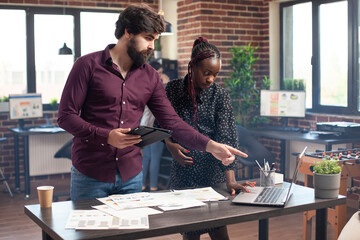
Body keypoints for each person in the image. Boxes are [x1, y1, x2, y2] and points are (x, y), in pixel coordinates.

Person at [57, 4, 248, 201]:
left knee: (130, 233)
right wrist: (106, 136)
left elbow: (172, 122)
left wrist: (211, 146)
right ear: (128, 32)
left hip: (131, 176)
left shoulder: (150, 77)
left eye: (155, 40)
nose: (152, 47)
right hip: (90, 174)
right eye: (148, 38)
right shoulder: (87, 65)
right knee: (89, 233)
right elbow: (65, 116)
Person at [164, 37, 255, 240]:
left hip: (212, 172)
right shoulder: (173, 90)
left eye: (215, 74)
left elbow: (227, 136)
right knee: (190, 231)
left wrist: (230, 180)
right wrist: (170, 145)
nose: (211, 79)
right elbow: (163, 126)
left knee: (218, 228)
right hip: (184, 170)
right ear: (192, 66)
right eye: (206, 73)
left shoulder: (220, 95)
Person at [141, 61, 169, 191]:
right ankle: (153, 186)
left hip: (145, 126)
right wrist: (166, 83)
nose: (162, 75)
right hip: (155, 127)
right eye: (160, 73)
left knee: (147, 157)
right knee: (155, 158)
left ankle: (142, 185)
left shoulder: (144, 85)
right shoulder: (156, 87)